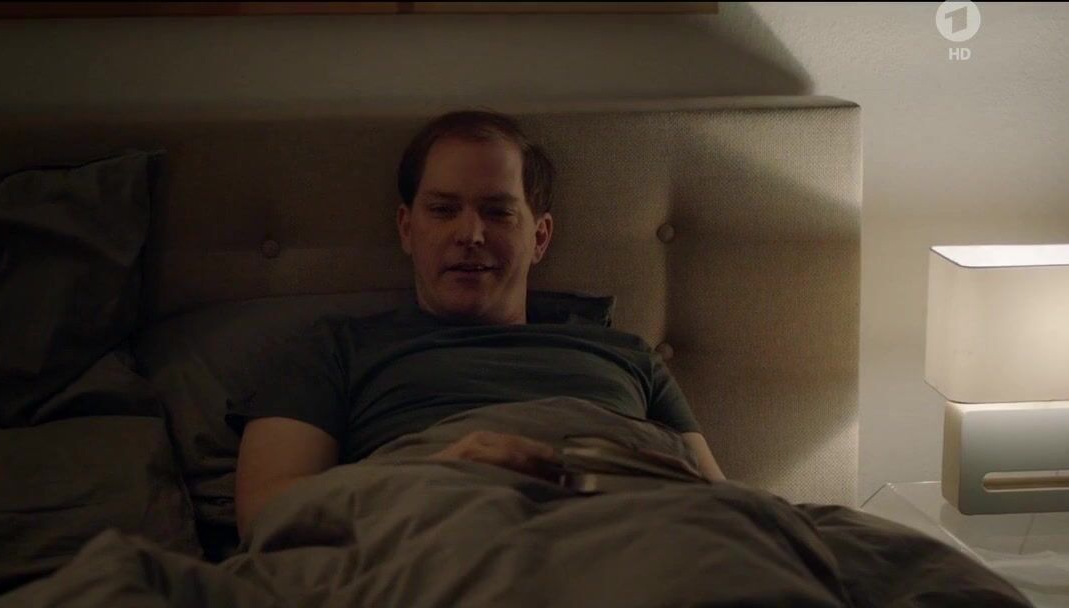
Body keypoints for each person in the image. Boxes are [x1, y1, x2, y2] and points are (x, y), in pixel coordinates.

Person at [232, 110, 725, 536]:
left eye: (498, 212)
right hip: (434, 538)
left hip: (625, 533)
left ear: (540, 237)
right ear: (407, 228)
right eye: (443, 210)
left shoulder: (629, 357)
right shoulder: (333, 350)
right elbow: (264, 511)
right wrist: (430, 477)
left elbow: (720, 505)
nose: (470, 233)